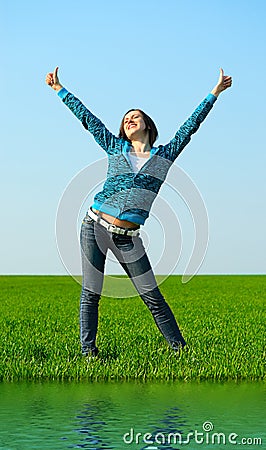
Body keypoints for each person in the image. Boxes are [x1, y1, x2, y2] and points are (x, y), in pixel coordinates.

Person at [45, 67, 232, 357]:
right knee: (91, 292)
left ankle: (180, 350)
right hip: (94, 226)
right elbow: (87, 119)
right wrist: (60, 89)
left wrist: (215, 92)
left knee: (151, 295)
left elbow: (190, 126)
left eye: (135, 116)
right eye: (125, 119)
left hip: (128, 237)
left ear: (147, 124)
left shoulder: (164, 156)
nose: (129, 120)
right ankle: (88, 352)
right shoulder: (114, 147)